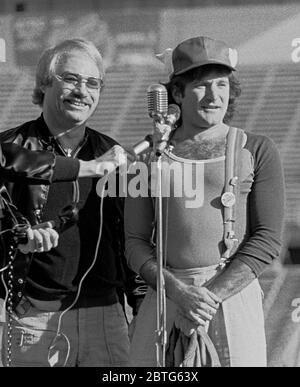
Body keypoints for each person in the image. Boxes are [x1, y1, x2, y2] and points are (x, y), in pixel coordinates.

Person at [125, 36, 285, 367]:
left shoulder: (256, 149)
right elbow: (134, 242)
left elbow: (267, 239)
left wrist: (206, 300)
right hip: (166, 297)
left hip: (231, 296)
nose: (214, 96)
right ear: (178, 93)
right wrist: (179, 293)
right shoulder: (147, 157)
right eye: (201, 86)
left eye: (222, 84)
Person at [0, 38, 144, 367]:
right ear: (44, 84)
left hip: (106, 317)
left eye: (93, 83)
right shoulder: (10, 146)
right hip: (33, 316)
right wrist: (20, 240)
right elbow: (15, 166)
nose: (82, 91)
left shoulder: (113, 151)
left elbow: (129, 238)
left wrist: (140, 305)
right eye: (71, 79)